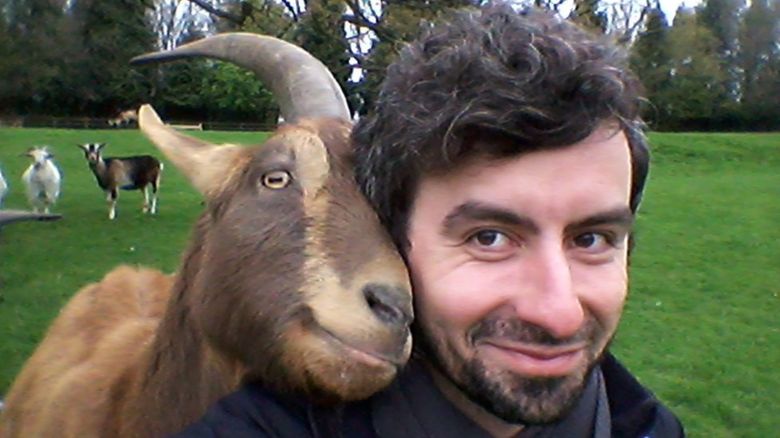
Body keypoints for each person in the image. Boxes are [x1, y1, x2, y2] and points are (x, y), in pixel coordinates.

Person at [176, 3, 684, 437]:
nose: (559, 314)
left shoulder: (649, 427)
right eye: (489, 238)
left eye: (592, 238)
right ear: (393, 236)